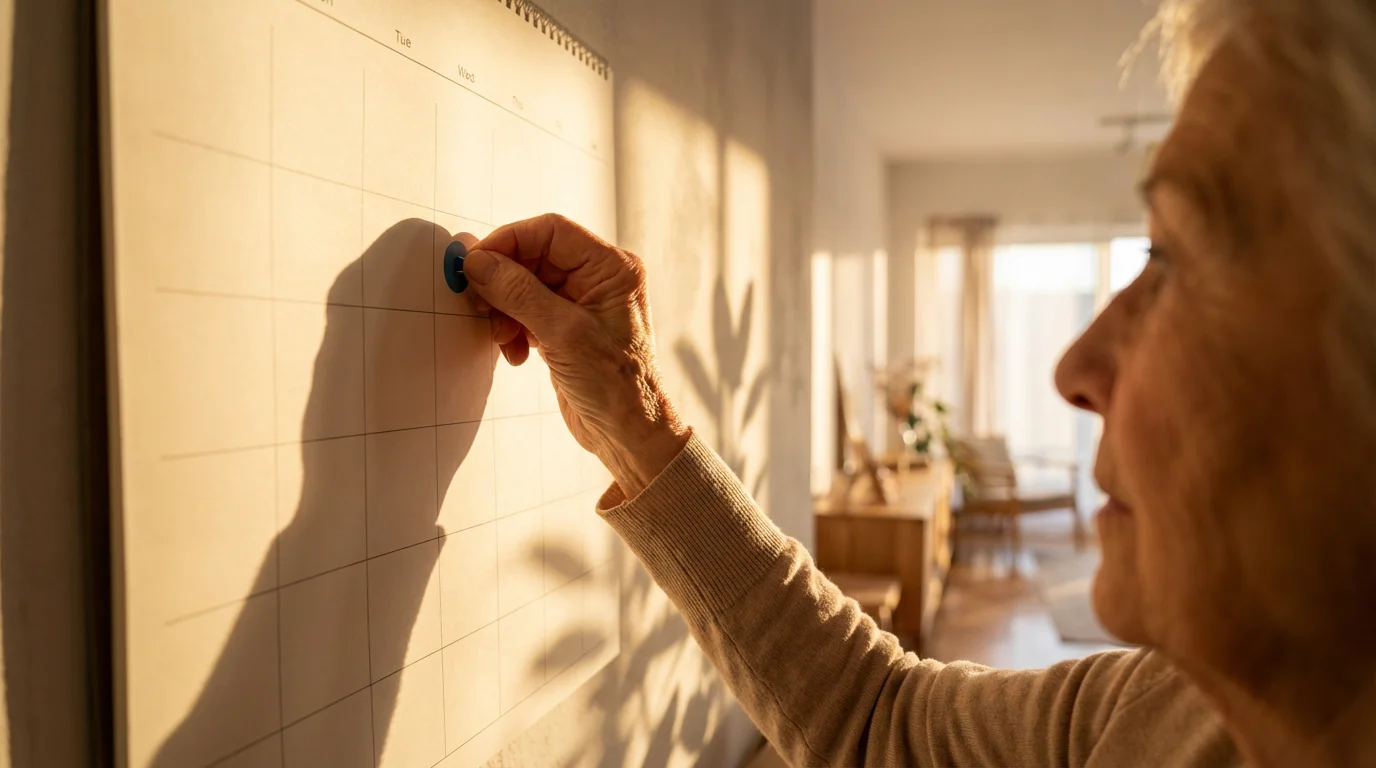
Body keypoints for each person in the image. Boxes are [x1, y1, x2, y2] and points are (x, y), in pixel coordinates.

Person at [457, 1, 1376, 764]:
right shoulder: (1154, 717)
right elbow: (876, 716)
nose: (1074, 367)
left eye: (1173, 255)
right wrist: (633, 414)